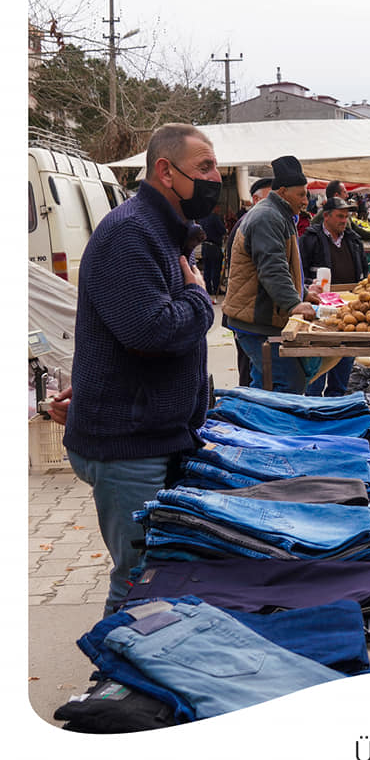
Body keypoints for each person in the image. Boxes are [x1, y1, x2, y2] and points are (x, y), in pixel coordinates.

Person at [52, 122, 221, 615]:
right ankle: (113, 686)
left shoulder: (161, 233)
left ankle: (138, 671)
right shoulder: (131, 233)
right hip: (129, 445)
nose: (215, 178)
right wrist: (200, 299)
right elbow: (152, 332)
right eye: (205, 167)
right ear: (166, 171)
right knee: (139, 579)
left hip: (148, 434)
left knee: (156, 571)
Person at [222, 155, 319, 393]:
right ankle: (278, 430)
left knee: (262, 384)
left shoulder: (281, 215)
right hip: (256, 321)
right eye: (301, 194)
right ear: (283, 192)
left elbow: (285, 266)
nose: (305, 201)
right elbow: (272, 268)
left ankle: (256, 427)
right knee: (289, 382)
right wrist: (294, 303)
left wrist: (303, 293)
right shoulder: (267, 216)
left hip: (264, 319)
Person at [297, 196, 370, 396]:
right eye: (339, 216)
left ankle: (336, 401)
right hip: (320, 309)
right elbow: (298, 271)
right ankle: (314, 405)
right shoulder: (310, 239)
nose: (343, 221)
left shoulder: (353, 239)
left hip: (348, 309)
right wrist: (307, 289)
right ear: (326, 216)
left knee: (344, 356)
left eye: (346, 217)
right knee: (319, 358)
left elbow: (363, 272)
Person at [223, 177, 273, 387]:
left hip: (253, 314)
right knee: (251, 373)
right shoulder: (251, 225)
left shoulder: (264, 222)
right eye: (271, 198)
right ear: (255, 199)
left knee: (254, 371)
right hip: (248, 315)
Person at [198, 206, 226, 300]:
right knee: (215, 269)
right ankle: (216, 289)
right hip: (214, 247)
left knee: (207, 269)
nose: (219, 210)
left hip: (205, 246)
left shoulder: (202, 218)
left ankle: (208, 288)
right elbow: (223, 230)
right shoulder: (214, 218)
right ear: (214, 208)